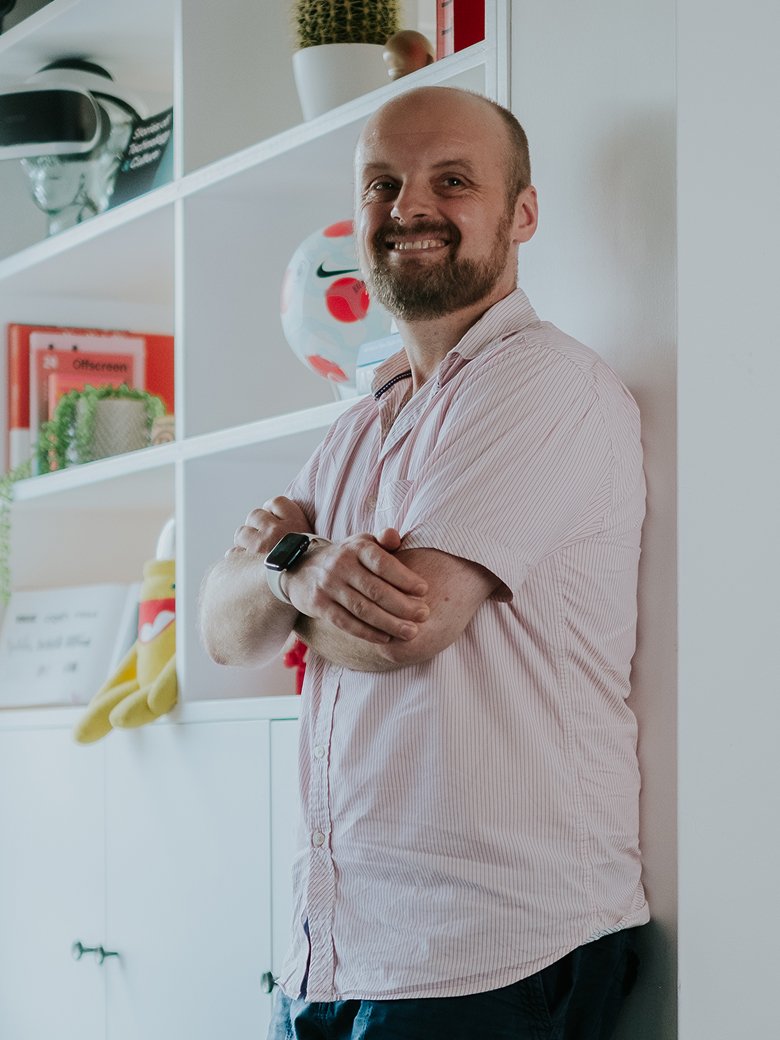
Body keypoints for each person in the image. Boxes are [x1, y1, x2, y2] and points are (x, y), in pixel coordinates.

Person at [199, 85, 648, 1040]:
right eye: (382, 184)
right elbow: (221, 631)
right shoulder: (363, 422)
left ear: (521, 213)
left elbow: (404, 627)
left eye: (452, 181)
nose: (408, 209)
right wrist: (298, 567)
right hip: (337, 951)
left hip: (495, 955)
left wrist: (286, 575)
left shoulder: (545, 384)